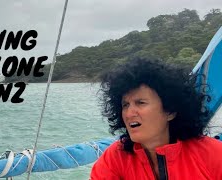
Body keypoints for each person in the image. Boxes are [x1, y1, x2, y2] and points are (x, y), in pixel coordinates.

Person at [90, 58, 222, 180]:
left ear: (170, 111)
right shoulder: (115, 158)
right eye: (125, 105)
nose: (129, 113)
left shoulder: (213, 155)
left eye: (140, 103)